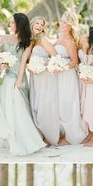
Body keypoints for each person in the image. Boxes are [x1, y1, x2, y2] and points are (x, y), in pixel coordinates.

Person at [0, 13, 45, 156]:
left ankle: (21, 138)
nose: (10, 24)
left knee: (16, 105)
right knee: (5, 105)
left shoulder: (27, 41)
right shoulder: (5, 38)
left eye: (12, 22)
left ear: (19, 24)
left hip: (17, 77)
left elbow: (23, 60)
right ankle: (9, 134)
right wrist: (1, 63)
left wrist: (19, 80)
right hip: (3, 75)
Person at [53, 10, 87, 145]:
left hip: (67, 76)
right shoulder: (60, 37)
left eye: (65, 22)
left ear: (71, 25)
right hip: (58, 75)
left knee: (67, 103)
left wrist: (61, 67)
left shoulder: (69, 40)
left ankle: (71, 136)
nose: (61, 23)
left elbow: (74, 62)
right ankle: (62, 133)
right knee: (59, 104)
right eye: (61, 20)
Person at [29, 17, 60, 145]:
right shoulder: (32, 40)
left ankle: (49, 136)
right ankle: (40, 135)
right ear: (32, 24)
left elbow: (55, 55)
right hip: (35, 76)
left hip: (44, 76)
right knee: (36, 104)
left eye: (42, 24)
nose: (40, 26)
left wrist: (42, 64)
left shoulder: (42, 39)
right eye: (37, 23)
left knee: (44, 105)